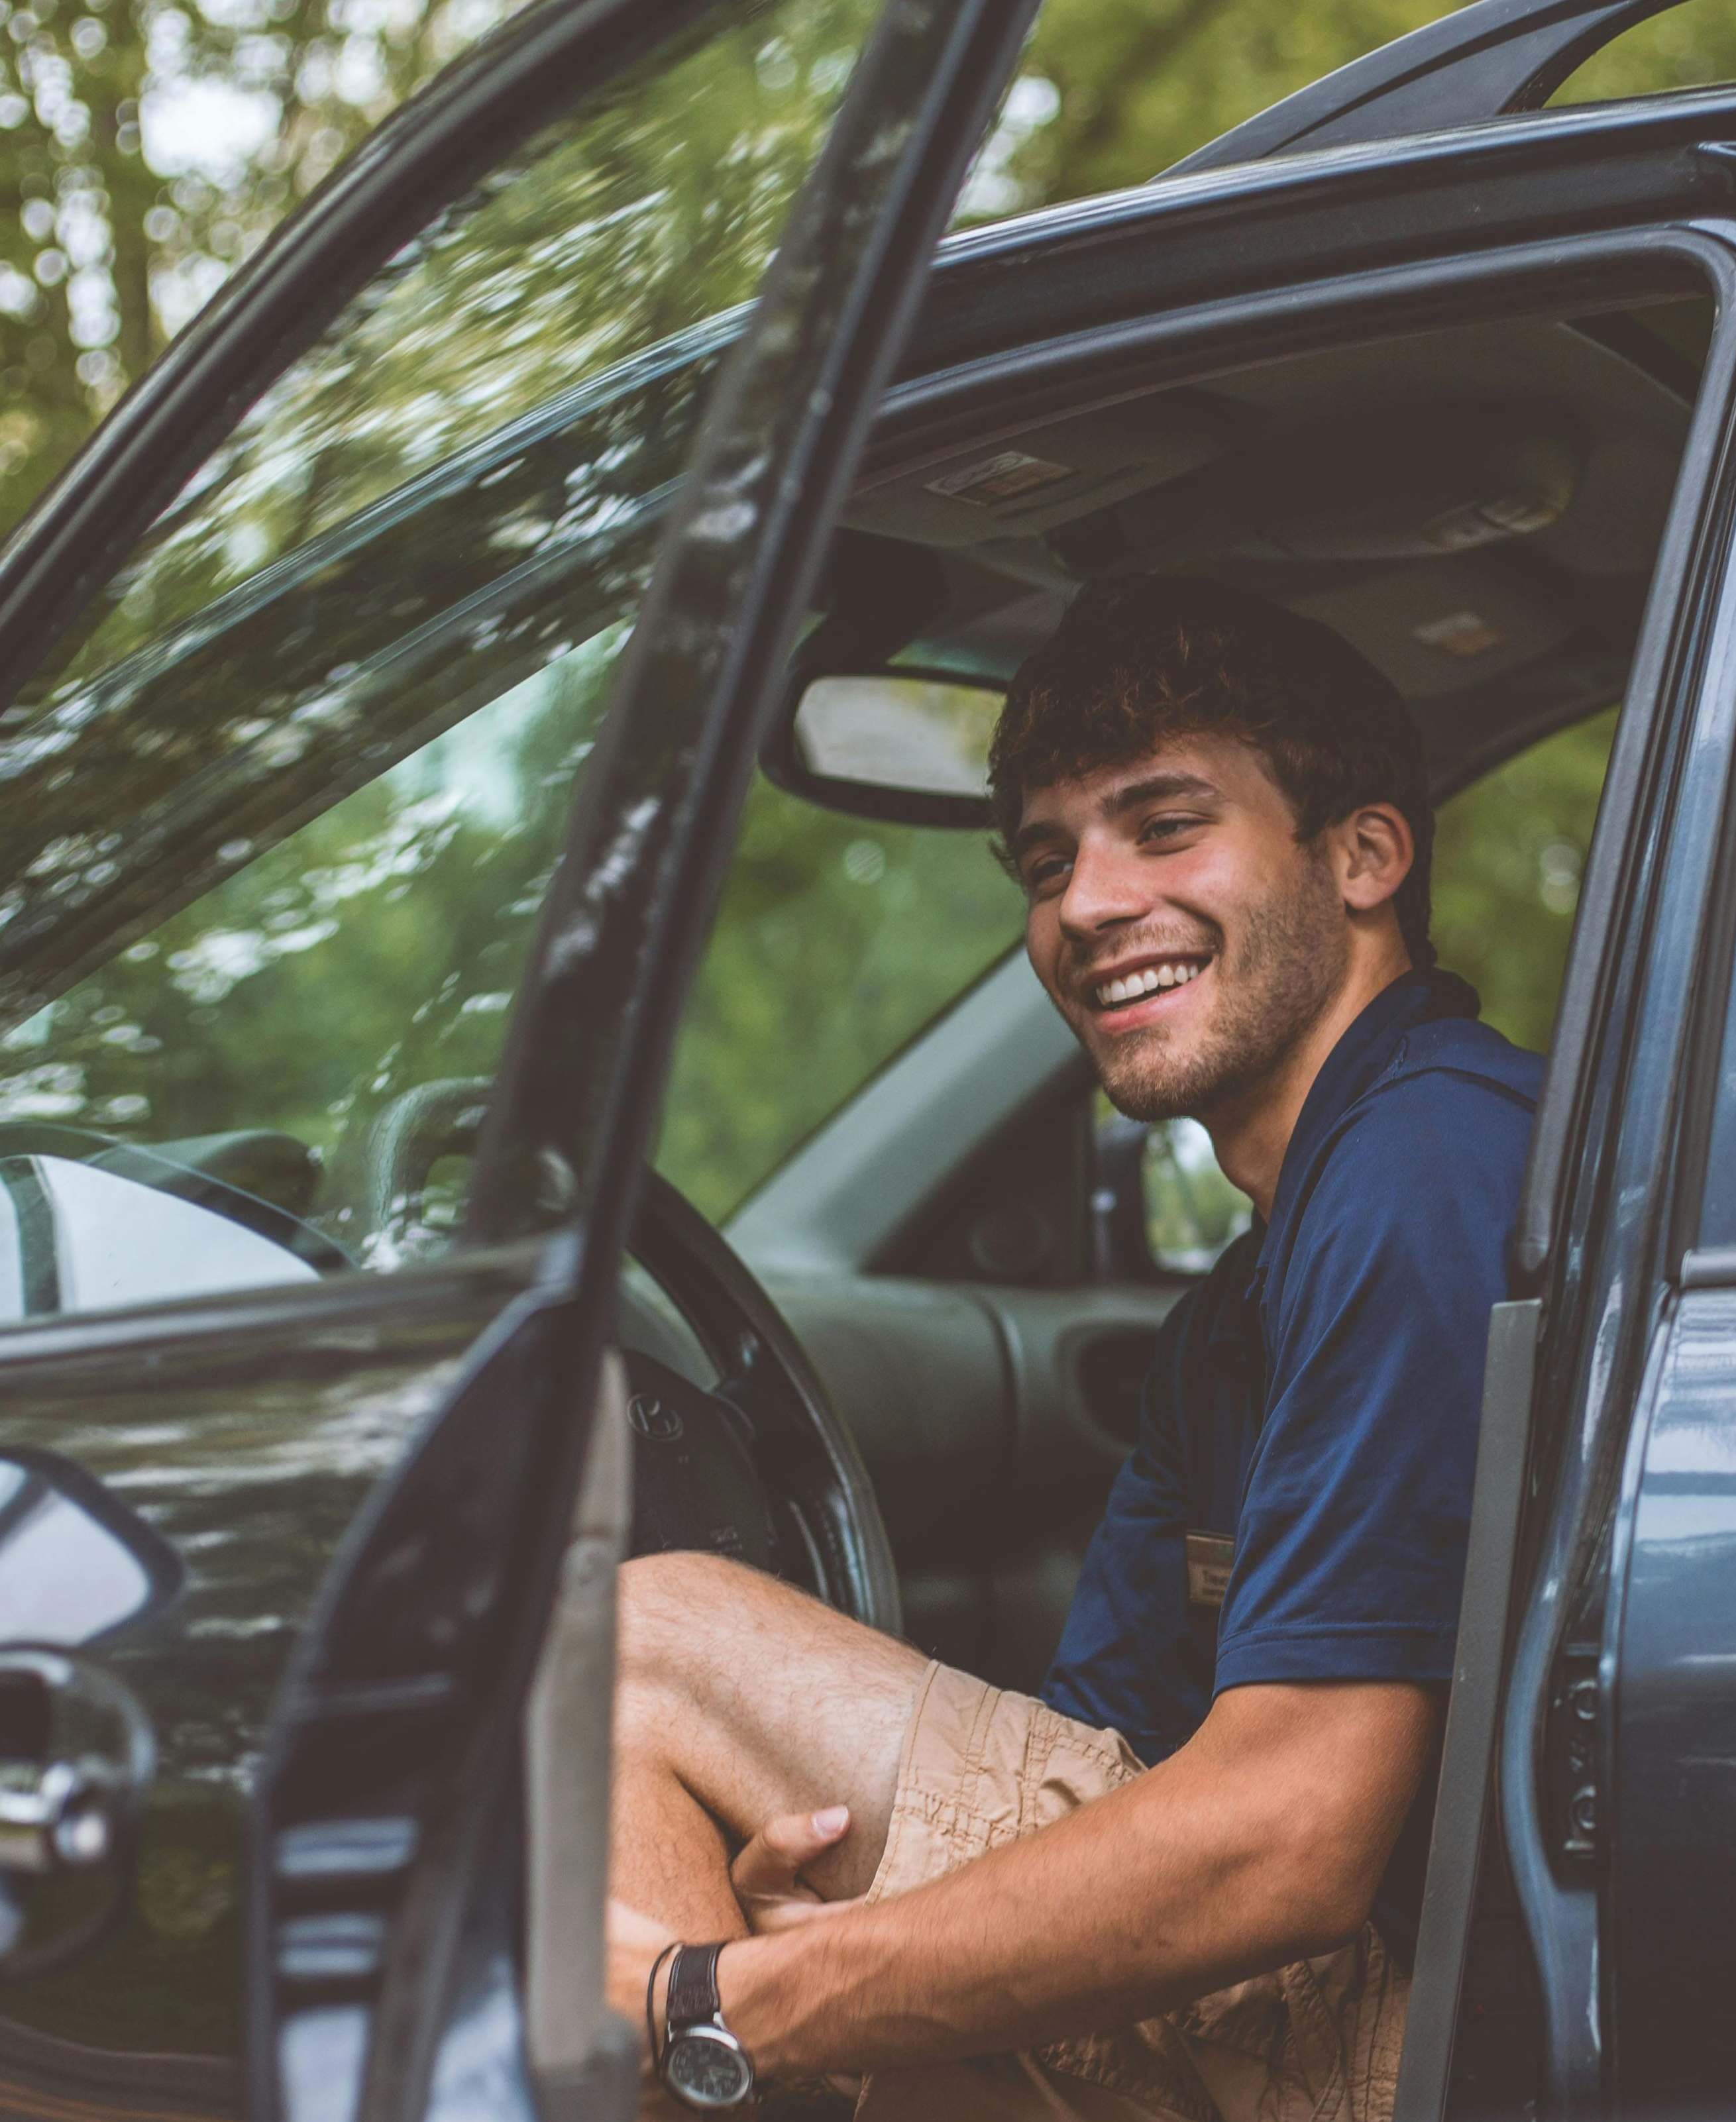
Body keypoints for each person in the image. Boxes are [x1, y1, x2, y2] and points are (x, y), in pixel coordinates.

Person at [606, 574, 1544, 2119]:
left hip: (1436, 2044)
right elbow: (1111, 1765)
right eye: (1050, 860)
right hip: (1330, 1997)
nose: (1088, 905)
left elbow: (1294, 1836)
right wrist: (868, 1949)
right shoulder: (1236, 1308)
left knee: (638, 1644)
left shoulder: (1426, 1161)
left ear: (1365, 855)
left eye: (1165, 827)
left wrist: (730, 2000)